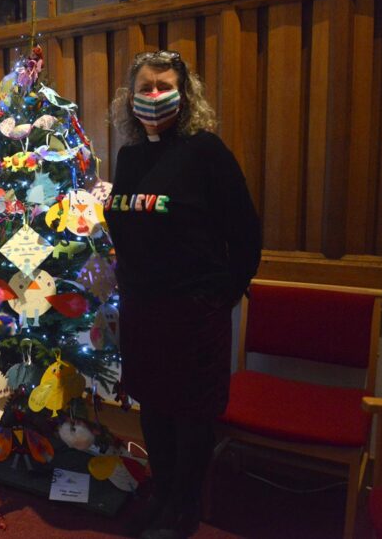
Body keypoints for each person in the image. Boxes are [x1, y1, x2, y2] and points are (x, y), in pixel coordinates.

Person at [105, 51, 262, 539]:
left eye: (163, 86)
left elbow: (246, 232)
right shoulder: (129, 157)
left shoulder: (205, 151)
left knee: (190, 417)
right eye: (145, 88)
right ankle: (162, 494)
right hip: (142, 312)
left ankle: (184, 510)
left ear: (185, 93)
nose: (154, 96)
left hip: (194, 313)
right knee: (153, 407)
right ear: (129, 100)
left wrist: (224, 296)